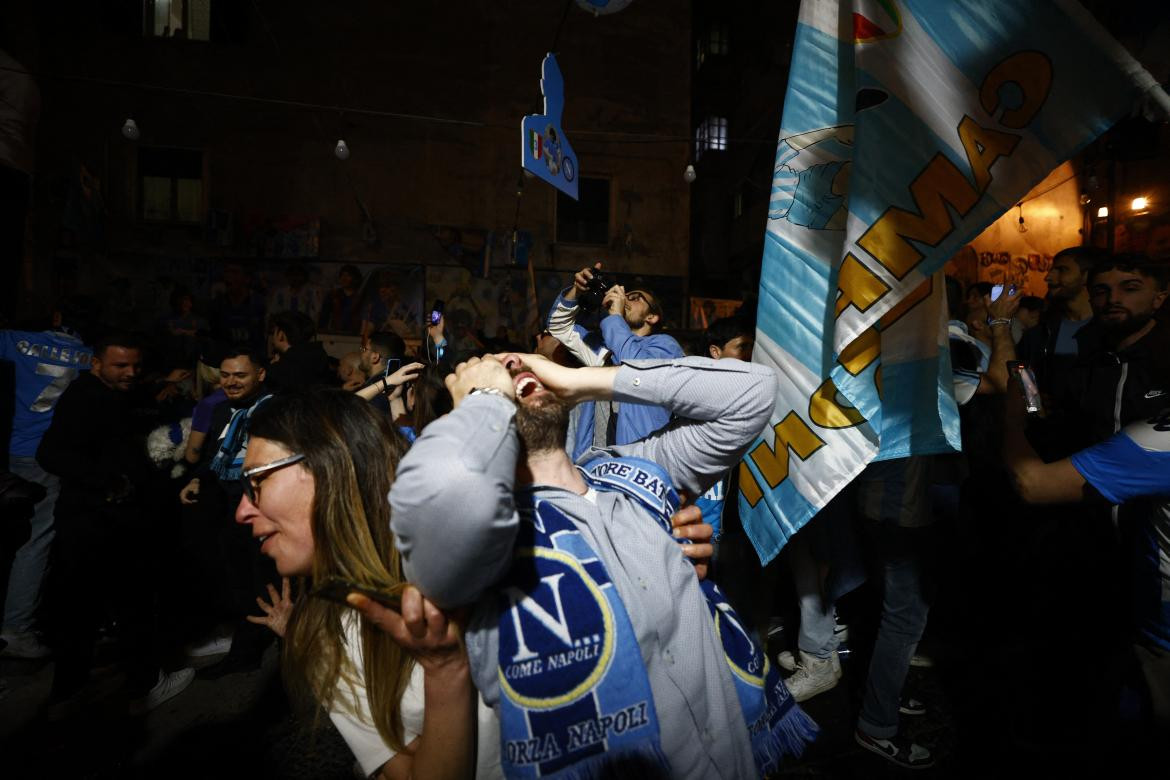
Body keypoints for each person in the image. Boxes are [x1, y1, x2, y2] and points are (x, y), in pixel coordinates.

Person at [390, 352, 817, 778]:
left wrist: (582, 381)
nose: (513, 373)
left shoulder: (631, 475)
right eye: (497, 385)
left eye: (517, 368)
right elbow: (439, 499)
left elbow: (753, 392)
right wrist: (486, 398)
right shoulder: (486, 546)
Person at [235, 389, 500, 779]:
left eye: (256, 482)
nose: (242, 511)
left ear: (333, 467)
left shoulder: (483, 550)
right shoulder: (323, 638)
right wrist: (445, 670)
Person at [1003, 377, 1170, 760]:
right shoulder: (1093, 360)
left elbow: (1032, 483)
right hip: (1106, 563)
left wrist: (1013, 421)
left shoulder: (1159, 437)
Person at [37, 332, 194, 712]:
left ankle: (69, 689)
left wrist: (160, 388)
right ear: (96, 364)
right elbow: (50, 453)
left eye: (135, 365)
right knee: (129, 605)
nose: (130, 372)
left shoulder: (111, 394)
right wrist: (109, 482)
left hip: (102, 522)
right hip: (99, 524)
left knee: (86, 609)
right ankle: (145, 685)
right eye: (120, 365)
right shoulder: (84, 398)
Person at [0, 323, 90, 658]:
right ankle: (16, 628)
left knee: (18, 535)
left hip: (15, 449)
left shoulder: (14, 341)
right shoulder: (89, 358)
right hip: (49, 454)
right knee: (36, 539)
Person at [546, 263, 685, 445]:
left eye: (635, 298)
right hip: (600, 462)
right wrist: (576, 290)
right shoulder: (605, 348)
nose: (625, 299)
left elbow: (637, 368)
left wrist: (615, 318)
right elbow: (559, 326)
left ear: (651, 317)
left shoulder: (665, 346)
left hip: (640, 460)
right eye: (625, 296)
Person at [265, 310, 332, 394]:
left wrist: (274, 367)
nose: (272, 338)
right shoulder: (319, 355)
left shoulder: (282, 367)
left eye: (273, 332)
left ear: (281, 335)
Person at [319, 264, 364, 334]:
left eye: (348, 275)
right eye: (342, 275)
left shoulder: (361, 297)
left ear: (355, 278)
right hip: (335, 333)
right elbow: (324, 315)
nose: (344, 278)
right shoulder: (333, 295)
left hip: (355, 335)